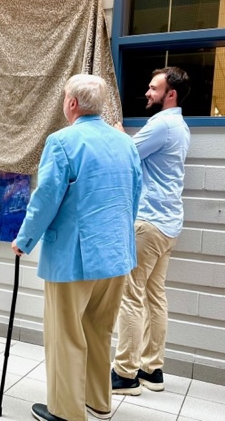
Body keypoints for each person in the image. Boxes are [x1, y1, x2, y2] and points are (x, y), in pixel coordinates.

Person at [12, 74, 142, 421]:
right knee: (99, 330)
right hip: (116, 253)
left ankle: (67, 411)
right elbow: (134, 195)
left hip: (74, 256)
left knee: (66, 334)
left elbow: (46, 198)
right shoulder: (125, 143)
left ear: (71, 103)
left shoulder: (62, 141)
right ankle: (98, 401)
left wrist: (24, 239)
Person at [111, 67, 191, 395]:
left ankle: (125, 374)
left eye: (154, 88)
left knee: (131, 295)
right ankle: (152, 369)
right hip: (169, 224)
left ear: (170, 94)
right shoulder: (181, 126)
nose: (147, 92)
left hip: (148, 223)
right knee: (155, 296)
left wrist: (117, 130)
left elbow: (126, 154)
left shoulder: (162, 125)